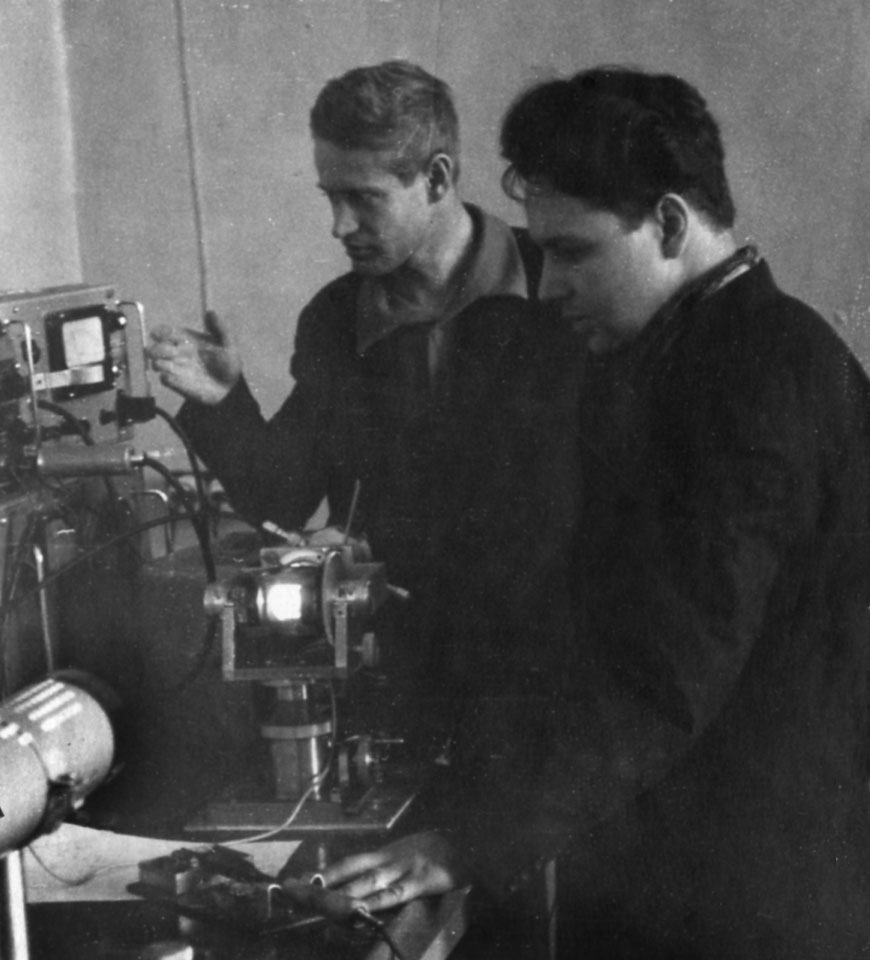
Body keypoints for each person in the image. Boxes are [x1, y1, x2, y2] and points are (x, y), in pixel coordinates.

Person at [318, 66, 870, 959]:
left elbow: (666, 674)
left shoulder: (756, 377)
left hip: (753, 896)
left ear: (670, 225)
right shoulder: (696, 354)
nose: (549, 286)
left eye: (573, 253)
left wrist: (470, 840)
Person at [146, 61, 585, 725]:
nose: (339, 225)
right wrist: (225, 403)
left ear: (436, 178)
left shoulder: (561, 288)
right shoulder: (334, 318)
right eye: (331, 197)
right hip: (401, 678)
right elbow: (282, 496)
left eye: (363, 199)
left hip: (550, 674)